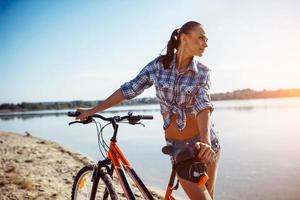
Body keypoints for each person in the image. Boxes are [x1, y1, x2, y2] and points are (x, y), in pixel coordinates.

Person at [76, 21, 221, 200]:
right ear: (184, 38)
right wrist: (93, 110)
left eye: (206, 39)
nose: (205, 44)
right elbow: (128, 90)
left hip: (204, 145)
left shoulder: (202, 73)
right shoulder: (158, 66)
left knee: (208, 196)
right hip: (179, 148)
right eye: (200, 38)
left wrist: (205, 142)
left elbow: (203, 106)